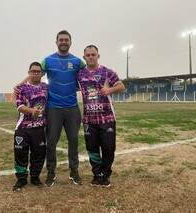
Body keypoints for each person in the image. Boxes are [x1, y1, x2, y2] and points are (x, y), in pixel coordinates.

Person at [41, 30, 85, 186]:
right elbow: (34, 74)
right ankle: (51, 173)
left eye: (66, 40)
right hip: (53, 108)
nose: (64, 42)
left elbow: (89, 75)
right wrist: (21, 84)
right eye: (61, 40)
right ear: (56, 42)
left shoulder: (78, 62)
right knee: (51, 142)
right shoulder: (47, 60)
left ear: (71, 42)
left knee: (73, 141)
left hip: (72, 108)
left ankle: (74, 173)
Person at [77, 45, 125, 187]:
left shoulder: (107, 72)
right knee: (92, 149)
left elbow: (121, 86)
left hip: (107, 118)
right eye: (88, 55)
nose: (91, 57)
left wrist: (109, 89)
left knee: (108, 149)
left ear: (98, 56)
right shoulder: (79, 74)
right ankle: (97, 174)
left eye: (93, 54)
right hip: (88, 120)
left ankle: (106, 174)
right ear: (84, 57)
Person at [13, 62, 47, 191]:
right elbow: (20, 106)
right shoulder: (21, 88)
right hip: (23, 128)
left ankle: (35, 177)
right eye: (33, 71)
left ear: (42, 74)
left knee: (38, 154)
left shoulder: (46, 87)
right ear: (29, 73)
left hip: (39, 128)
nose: (36, 73)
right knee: (20, 154)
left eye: (38, 71)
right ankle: (21, 179)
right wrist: (32, 111)